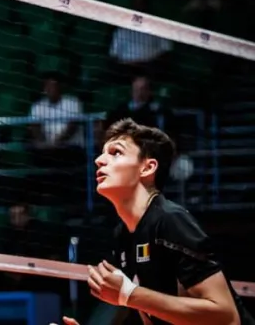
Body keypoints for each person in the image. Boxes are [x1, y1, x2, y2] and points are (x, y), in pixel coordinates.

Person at [59, 118, 253, 325]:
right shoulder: (123, 234)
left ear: (147, 168)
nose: (99, 160)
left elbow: (226, 316)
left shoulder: (170, 220)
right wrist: (131, 296)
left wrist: (130, 295)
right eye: (102, 153)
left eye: (116, 152)